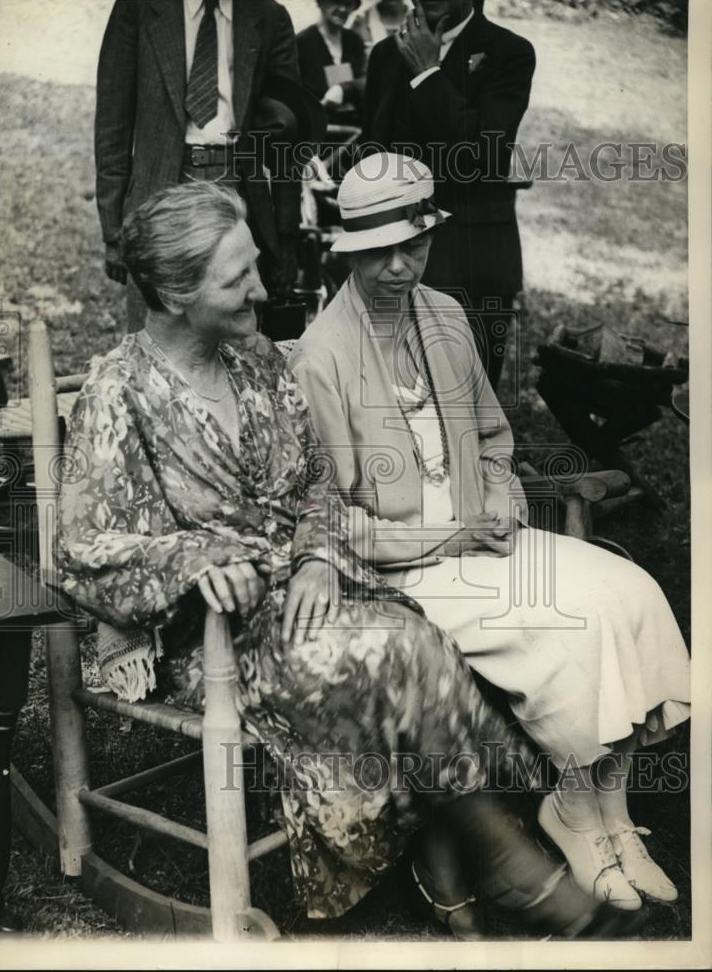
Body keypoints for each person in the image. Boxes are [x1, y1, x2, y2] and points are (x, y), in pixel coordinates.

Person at [57, 180, 637, 940]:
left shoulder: (257, 361)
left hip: (307, 597)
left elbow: (317, 486)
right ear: (172, 292)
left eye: (254, 266)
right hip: (212, 636)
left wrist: (317, 560)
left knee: (414, 639)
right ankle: (504, 869)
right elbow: (81, 547)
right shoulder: (117, 393)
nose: (261, 289)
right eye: (236, 279)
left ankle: (458, 862)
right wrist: (195, 556)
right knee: (399, 648)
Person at [288, 154, 691, 913]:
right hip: (406, 572)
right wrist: (448, 532)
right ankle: (575, 814)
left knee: (629, 592)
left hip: (486, 541)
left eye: (415, 244)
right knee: (568, 621)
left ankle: (605, 816)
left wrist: (502, 491)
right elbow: (334, 521)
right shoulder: (322, 357)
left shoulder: (442, 314)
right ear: (347, 250)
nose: (401, 265)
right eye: (379, 250)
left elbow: (492, 439)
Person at [95, 0, 302, 332]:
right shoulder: (140, 6)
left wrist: (286, 237)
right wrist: (113, 230)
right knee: (161, 326)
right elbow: (112, 121)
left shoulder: (266, 15)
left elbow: (288, 137)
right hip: (162, 190)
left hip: (237, 189)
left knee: (233, 325)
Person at [361, 0, 535, 388]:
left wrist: (428, 74)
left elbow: (484, 157)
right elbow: (373, 155)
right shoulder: (387, 54)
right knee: (393, 397)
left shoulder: (509, 52)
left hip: (472, 261)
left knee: (466, 402)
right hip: (395, 255)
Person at [296, 0, 366, 125]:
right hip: (317, 127)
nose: (342, 9)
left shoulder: (354, 41)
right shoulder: (301, 43)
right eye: (336, 1)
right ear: (320, 2)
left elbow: (365, 79)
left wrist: (344, 89)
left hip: (354, 125)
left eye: (348, 3)